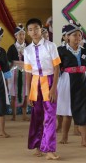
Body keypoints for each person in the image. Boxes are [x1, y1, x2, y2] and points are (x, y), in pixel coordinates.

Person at [56, 21, 86, 147]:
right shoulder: (61, 51)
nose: (78, 38)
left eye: (79, 35)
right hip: (67, 82)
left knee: (83, 110)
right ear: (67, 37)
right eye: (74, 35)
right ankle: (64, 137)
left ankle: (84, 140)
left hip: (83, 81)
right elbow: (56, 69)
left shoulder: (85, 51)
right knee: (67, 111)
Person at [24, 18, 60, 160]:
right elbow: (28, 72)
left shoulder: (51, 46)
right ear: (28, 32)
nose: (34, 32)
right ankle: (38, 146)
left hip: (49, 81)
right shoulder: (27, 50)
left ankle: (49, 149)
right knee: (37, 115)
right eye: (31, 29)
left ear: (41, 29)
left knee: (50, 116)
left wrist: (53, 88)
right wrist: (28, 93)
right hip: (35, 84)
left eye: (36, 28)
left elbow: (57, 68)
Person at [7, 24, 29, 121]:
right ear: (15, 36)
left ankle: (24, 114)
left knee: (25, 93)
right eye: (19, 34)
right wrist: (14, 63)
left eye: (23, 34)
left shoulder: (28, 47)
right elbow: (8, 61)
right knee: (13, 93)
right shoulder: (12, 48)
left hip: (25, 72)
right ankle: (14, 115)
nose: (22, 36)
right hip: (14, 73)